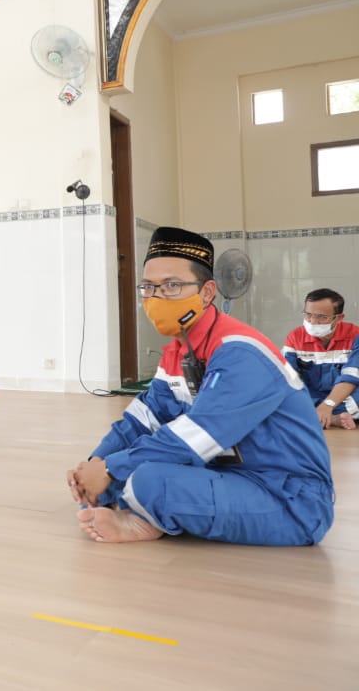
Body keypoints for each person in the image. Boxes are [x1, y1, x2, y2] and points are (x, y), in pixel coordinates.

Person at [68, 227, 334, 545]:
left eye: (171, 286)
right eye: (148, 287)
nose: (155, 297)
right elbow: (142, 420)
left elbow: (199, 435)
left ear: (207, 293)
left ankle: (146, 517)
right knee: (112, 479)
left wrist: (111, 469)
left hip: (289, 497)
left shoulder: (240, 351)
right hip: (225, 476)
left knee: (146, 479)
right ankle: (144, 508)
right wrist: (95, 464)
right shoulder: (178, 350)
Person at [283, 288, 359, 430]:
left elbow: (351, 377)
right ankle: (333, 418)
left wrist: (328, 404)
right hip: (312, 397)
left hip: (346, 397)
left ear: (339, 318)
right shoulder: (295, 337)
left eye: (322, 317)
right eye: (308, 315)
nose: (313, 322)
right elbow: (287, 377)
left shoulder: (356, 336)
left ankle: (318, 416)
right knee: (284, 398)